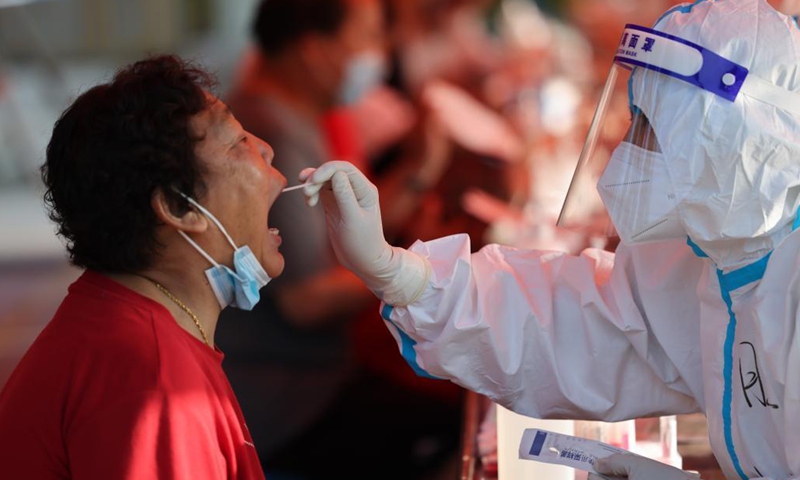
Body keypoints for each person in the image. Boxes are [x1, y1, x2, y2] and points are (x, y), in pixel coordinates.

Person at [299, 0, 800, 479]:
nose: (630, 152)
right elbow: (590, 323)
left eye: (651, 127)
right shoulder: (720, 256)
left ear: (739, 135)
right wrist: (410, 280)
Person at [0, 55, 285, 479]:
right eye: (236, 140)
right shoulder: (154, 381)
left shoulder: (126, 327)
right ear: (176, 206)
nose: (265, 148)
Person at [216, 0, 462, 477]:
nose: (381, 52)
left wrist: (418, 171)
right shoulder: (269, 133)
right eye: (368, 35)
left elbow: (344, 227)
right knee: (458, 423)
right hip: (288, 399)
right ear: (313, 49)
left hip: (318, 376)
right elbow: (306, 300)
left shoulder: (299, 117)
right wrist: (407, 268)